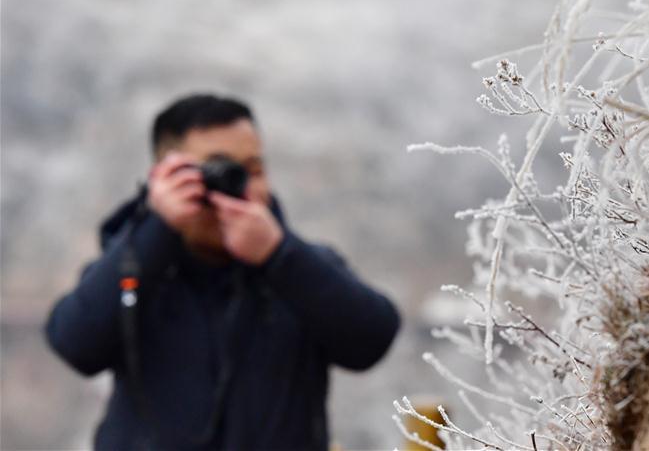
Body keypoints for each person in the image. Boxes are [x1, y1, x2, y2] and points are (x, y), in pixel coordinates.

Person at [44, 93, 401, 451]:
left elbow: (371, 340)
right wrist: (155, 229)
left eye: (255, 170)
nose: (242, 186)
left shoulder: (300, 269)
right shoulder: (133, 270)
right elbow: (75, 344)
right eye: (218, 171)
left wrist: (279, 256)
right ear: (166, 178)